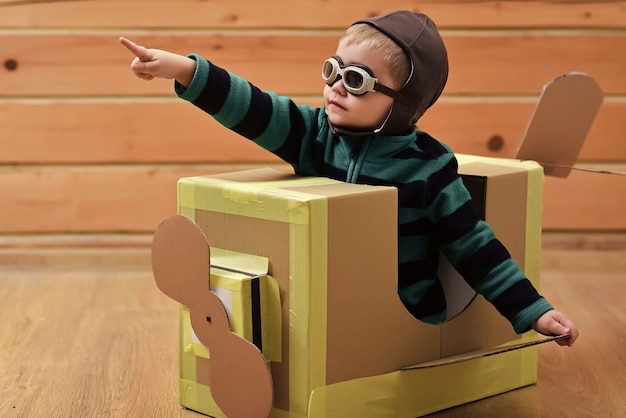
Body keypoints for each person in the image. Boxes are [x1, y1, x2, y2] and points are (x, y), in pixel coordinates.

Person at [120, 10, 579, 346]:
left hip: (404, 318)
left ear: (401, 103)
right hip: (331, 310)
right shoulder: (315, 135)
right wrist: (182, 69)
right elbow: (255, 108)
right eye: (332, 70)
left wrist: (532, 311)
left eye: (356, 80)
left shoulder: (428, 167)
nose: (336, 86)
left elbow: (474, 247)